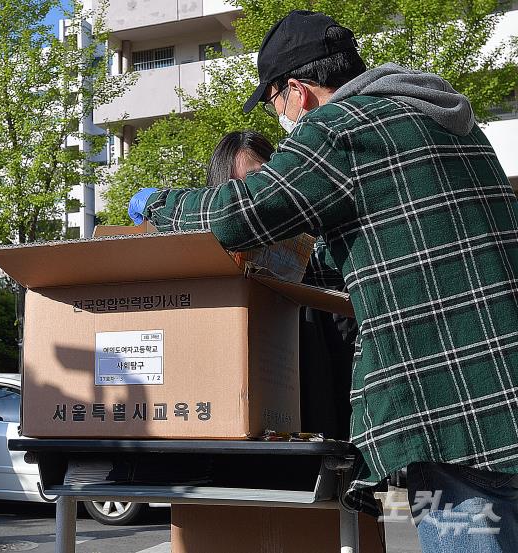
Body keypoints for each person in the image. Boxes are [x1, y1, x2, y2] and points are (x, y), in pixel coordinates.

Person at [128, 10, 518, 552]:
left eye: (274, 104)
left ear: (296, 92)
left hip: (447, 411)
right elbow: (380, 251)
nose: (281, 120)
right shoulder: (445, 123)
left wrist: (160, 207)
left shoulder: (340, 128)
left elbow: (238, 215)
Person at [207, 130, 357, 441]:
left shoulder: (318, 252)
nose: (247, 202)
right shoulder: (209, 265)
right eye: (235, 190)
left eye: (258, 184)